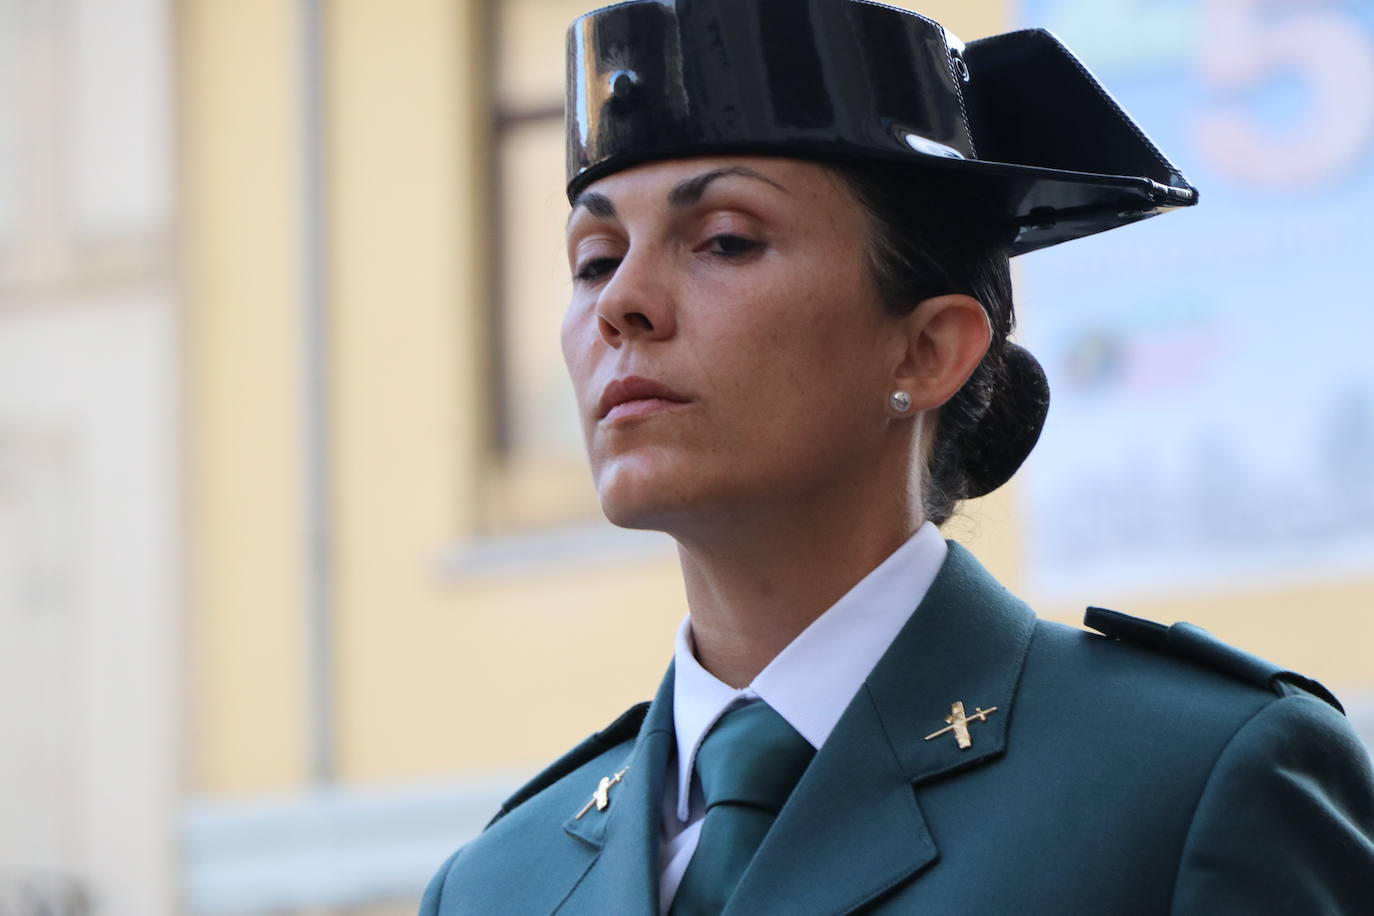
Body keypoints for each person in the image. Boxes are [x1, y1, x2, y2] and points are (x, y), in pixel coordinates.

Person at [421, 1, 1374, 913]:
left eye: (723, 240)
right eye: (594, 258)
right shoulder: (501, 881)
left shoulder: (1188, 781)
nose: (621, 303)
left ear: (927, 351)